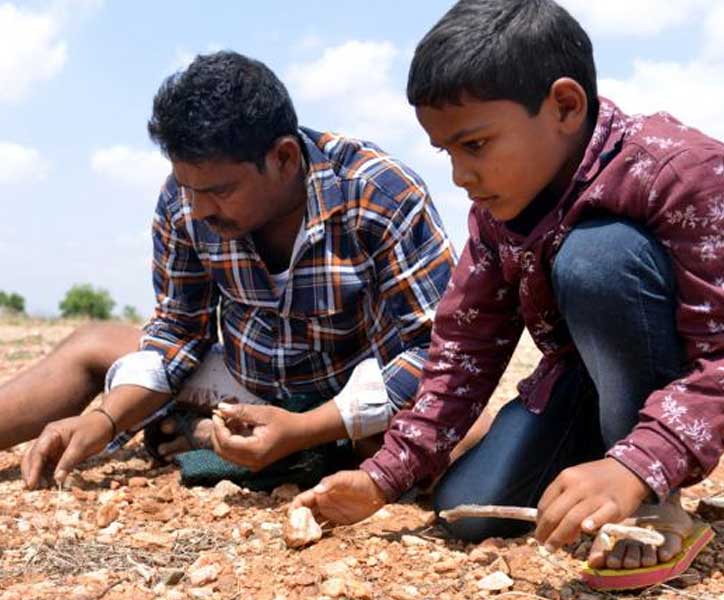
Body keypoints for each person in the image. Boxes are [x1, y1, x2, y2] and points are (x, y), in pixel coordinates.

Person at [0, 51, 454, 506]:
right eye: (189, 187)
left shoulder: (377, 193)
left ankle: (257, 442)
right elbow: (178, 330)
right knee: (100, 343)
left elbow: (434, 352)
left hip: (348, 398)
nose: (200, 209)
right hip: (244, 379)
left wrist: (310, 426)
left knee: (458, 432)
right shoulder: (185, 199)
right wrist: (101, 421)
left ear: (283, 158)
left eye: (219, 191)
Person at [294, 0, 722, 589]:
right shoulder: (498, 211)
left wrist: (638, 467)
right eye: (447, 152)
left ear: (565, 106)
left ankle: (653, 499)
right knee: (468, 511)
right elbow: (461, 351)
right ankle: (603, 464)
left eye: (475, 144)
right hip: (580, 382)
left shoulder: (679, 173)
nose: (460, 176)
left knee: (600, 259)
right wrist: (382, 477)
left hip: (674, 380)